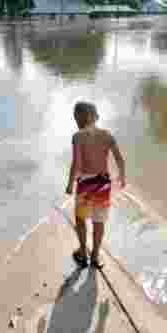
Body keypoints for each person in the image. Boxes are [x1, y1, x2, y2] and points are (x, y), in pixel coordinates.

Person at [65, 101, 126, 270]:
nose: (76, 120)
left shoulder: (78, 136)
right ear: (95, 116)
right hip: (102, 182)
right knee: (99, 221)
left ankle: (83, 252)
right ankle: (95, 255)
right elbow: (120, 159)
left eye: (76, 117)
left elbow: (76, 163)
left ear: (81, 117)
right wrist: (122, 176)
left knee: (81, 218)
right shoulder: (107, 135)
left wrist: (70, 184)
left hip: (86, 182)